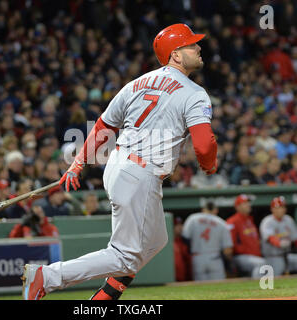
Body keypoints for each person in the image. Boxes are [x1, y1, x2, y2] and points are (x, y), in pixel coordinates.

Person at [21, 23, 218, 300]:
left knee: (156, 241)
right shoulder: (193, 92)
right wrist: (209, 164)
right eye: (191, 44)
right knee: (125, 256)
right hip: (141, 173)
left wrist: (78, 163)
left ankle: (102, 299)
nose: (199, 47)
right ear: (175, 54)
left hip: (118, 166)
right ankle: (48, 277)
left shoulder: (136, 83)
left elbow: (104, 126)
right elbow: (204, 143)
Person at [182, 202, 233, 281]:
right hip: (215, 258)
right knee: (219, 286)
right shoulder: (222, 223)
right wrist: (229, 265)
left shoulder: (193, 218)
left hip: (197, 257)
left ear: (203, 209)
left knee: (200, 288)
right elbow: (227, 250)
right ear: (216, 210)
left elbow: (185, 238)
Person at [226, 194, 266, 278]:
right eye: (244, 203)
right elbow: (229, 243)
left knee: (263, 263)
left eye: (248, 203)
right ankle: (257, 287)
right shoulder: (232, 221)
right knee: (261, 264)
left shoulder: (249, 220)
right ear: (237, 207)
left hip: (253, 256)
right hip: (240, 257)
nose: (248, 205)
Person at [259, 196, 297, 276]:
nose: (280, 210)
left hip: (287, 255)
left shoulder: (288, 220)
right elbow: (270, 238)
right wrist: (280, 243)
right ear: (272, 209)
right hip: (273, 256)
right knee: (277, 273)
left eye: (282, 207)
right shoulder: (267, 221)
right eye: (278, 207)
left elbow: (295, 239)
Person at [173, 217, 191, 281]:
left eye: (181, 225)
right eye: (177, 225)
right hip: (171, 276)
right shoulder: (166, 242)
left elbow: (188, 261)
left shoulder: (185, 242)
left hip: (183, 277)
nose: (180, 227)